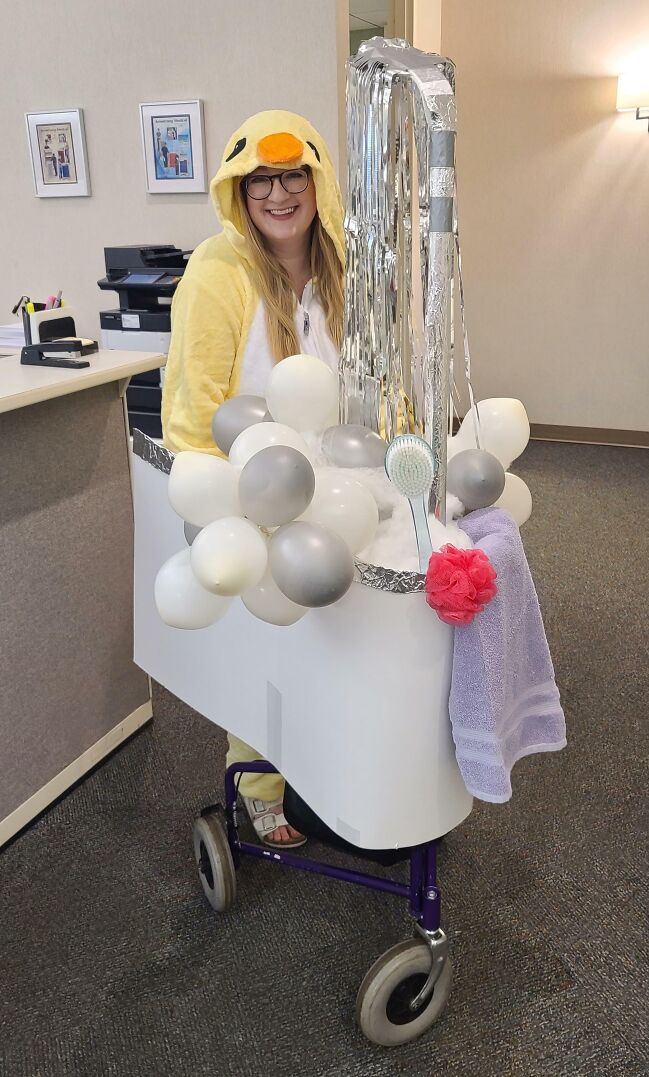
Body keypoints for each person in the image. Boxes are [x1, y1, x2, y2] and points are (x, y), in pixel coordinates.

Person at [162, 110, 345, 849]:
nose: (276, 193)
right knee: (268, 648)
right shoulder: (219, 269)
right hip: (252, 492)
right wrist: (210, 496)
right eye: (258, 179)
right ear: (238, 191)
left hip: (336, 485)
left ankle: (327, 771)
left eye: (291, 174)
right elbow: (192, 399)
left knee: (335, 637)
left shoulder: (341, 268)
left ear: (316, 180)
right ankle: (259, 783)